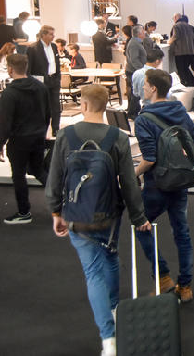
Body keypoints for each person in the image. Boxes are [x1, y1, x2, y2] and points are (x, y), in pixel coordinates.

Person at [45, 85, 151, 356]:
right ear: (106, 107)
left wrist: (56, 213)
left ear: (83, 105)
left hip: (76, 215)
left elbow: (54, 178)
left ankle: (108, 338)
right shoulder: (118, 137)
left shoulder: (65, 136)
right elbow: (129, 182)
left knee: (93, 273)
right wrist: (139, 217)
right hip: (109, 214)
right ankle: (114, 309)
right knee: (111, 258)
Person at [133, 69, 194, 302]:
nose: (143, 88)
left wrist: (132, 174)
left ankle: (162, 275)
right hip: (180, 182)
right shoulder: (181, 112)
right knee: (182, 233)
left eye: (145, 84)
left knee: (141, 225)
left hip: (156, 185)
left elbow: (149, 159)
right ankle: (185, 287)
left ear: (153, 88)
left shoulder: (144, 119)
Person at [0, 54, 50, 224]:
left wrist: (1, 143)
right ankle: (63, 198)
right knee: (38, 170)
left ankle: (24, 212)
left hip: (19, 140)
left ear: (10, 69)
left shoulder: (9, 93)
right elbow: (48, 113)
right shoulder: (41, 87)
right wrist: (43, 131)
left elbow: (5, 123)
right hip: (38, 137)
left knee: (19, 175)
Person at [27, 24, 62, 136]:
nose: (53, 36)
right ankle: (42, 130)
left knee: (56, 107)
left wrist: (58, 77)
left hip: (54, 80)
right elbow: (29, 68)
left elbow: (56, 63)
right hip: (41, 81)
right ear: (43, 35)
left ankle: (56, 129)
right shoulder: (33, 48)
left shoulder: (54, 46)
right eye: (51, 34)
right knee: (42, 107)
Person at [124, 25, 147, 118]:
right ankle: (132, 113)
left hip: (134, 70)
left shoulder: (136, 42)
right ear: (139, 34)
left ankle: (135, 111)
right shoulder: (134, 44)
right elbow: (134, 60)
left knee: (135, 93)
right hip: (133, 71)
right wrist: (142, 70)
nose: (145, 33)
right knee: (135, 93)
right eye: (143, 32)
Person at [168, 14, 194, 88]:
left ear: (176, 18)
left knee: (181, 69)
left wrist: (169, 42)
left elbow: (175, 36)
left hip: (180, 51)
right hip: (189, 51)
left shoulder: (176, 26)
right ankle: (192, 83)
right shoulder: (189, 26)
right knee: (186, 68)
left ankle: (185, 84)